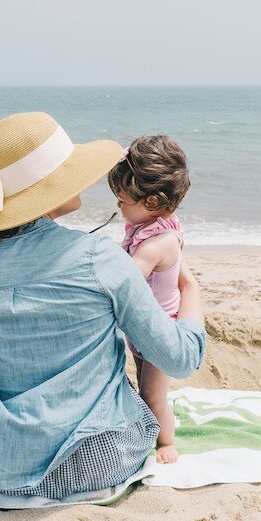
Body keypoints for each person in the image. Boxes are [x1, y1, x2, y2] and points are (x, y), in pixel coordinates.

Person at [0, 112, 205, 505]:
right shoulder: (98, 259)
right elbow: (181, 359)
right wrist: (191, 289)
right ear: (46, 188)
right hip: (89, 461)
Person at [107, 135, 190, 463]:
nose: (118, 206)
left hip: (158, 334)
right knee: (146, 385)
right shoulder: (152, 226)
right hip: (143, 332)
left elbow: (126, 277)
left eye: (122, 200)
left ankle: (166, 441)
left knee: (153, 396)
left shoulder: (157, 244)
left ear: (153, 202)